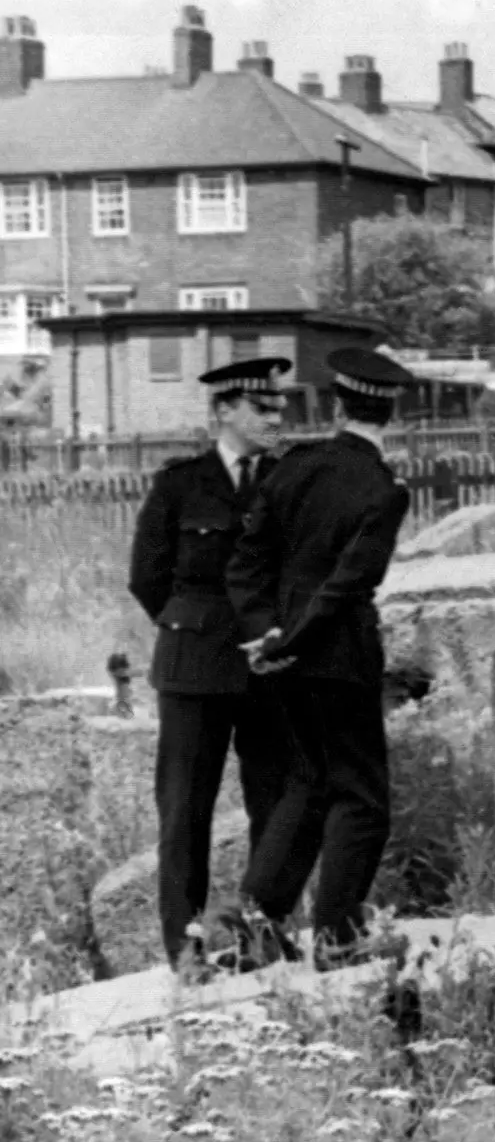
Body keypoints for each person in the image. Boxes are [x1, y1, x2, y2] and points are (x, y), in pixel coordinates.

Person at [226, 346, 417, 972]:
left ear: (338, 404)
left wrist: (265, 635)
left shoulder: (294, 466)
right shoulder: (382, 489)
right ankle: (337, 938)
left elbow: (248, 559)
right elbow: (347, 584)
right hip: (337, 656)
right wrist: (294, 639)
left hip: (279, 661)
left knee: (306, 786)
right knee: (361, 798)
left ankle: (257, 926)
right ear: (390, 411)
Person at [126, 357, 298, 980]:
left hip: (270, 668)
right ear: (224, 411)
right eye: (261, 409)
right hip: (193, 668)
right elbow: (147, 577)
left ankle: (262, 934)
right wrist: (195, 627)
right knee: (184, 812)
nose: (275, 419)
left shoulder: (289, 480)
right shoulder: (181, 484)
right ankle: (187, 947)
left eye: (280, 409)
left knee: (276, 804)